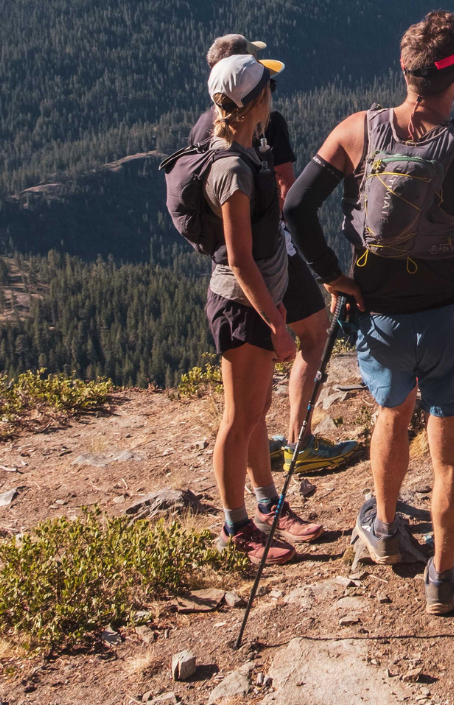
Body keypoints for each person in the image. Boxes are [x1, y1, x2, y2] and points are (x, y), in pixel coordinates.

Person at [284, 11, 454, 614]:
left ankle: (382, 530)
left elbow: (296, 208)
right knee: (450, 447)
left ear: (405, 72)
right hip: (449, 317)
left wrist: (335, 278)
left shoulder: (357, 132)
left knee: (390, 414)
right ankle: (444, 575)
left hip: (378, 315)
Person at [189, 36, 343, 472]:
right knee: (313, 336)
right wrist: (310, 264)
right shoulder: (258, 135)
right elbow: (287, 194)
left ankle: (264, 491)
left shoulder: (206, 129)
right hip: (265, 259)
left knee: (247, 408)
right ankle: (298, 442)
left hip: (234, 264)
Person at [198, 51, 314, 563]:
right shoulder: (232, 168)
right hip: (244, 307)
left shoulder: (242, 153)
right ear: (257, 101)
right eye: (269, 88)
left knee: (254, 412)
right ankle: (234, 527)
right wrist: (277, 324)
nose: (273, 96)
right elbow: (241, 260)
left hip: (253, 303)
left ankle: (266, 503)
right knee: (239, 419)